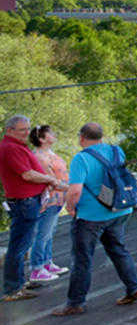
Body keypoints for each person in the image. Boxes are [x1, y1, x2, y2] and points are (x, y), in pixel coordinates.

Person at [53, 122, 137, 316]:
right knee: (118, 250)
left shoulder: (81, 159)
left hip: (91, 216)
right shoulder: (116, 151)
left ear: (81, 137)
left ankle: (76, 302)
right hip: (119, 210)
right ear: (101, 136)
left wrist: (69, 207)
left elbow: (75, 190)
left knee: (82, 258)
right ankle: (133, 287)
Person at [2, 115, 69, 302]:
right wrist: (50, 180)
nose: (26, 133)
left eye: (27, 129)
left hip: (29, 201)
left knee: (22, 244)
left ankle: (18, 282)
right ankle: (12, 289)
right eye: (22, 130)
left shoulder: (17, 147)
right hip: (24, 202)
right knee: (19, 246)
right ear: (10, 130)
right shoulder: (11, 148)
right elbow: (28, 175)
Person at [29, 125, 70, 283]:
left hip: (59, 197)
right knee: (43, 233)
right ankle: (37, 267)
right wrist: (72, 189)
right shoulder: (39, 156)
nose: (54, 134)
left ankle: (47, 262)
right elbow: (50, 179)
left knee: (50, 231)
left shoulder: (49, 153)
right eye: (50, 133)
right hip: (50, 198)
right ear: (41, 139)